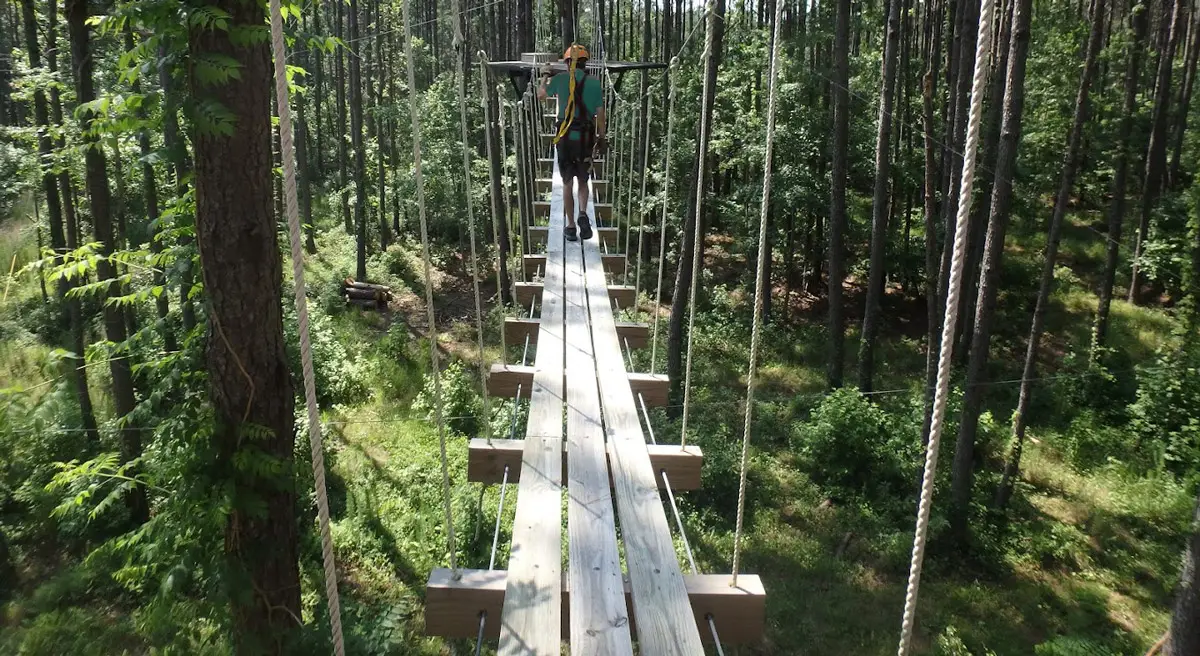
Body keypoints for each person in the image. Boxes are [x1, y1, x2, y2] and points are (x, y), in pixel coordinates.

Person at [538, 44, 607, 242]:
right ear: (585, 64)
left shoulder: (559, 80)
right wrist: (601, 138)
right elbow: (600, 116)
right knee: (583, 180)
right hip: (585, 138)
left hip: (565, 138)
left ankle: (570, 227)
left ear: (568, 63)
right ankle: (583, 213)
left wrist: (544, 76)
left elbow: (541, 96)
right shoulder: (594, 83)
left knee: (567, 183)